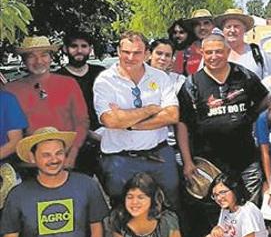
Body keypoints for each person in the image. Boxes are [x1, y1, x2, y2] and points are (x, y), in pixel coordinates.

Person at [176, 35, 269, 237]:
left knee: (251, 207)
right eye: (209, 52)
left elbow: (265, 100)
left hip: (245, 156)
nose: (214, 56)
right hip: (210, 162)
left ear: (227, 52)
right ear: (202, 53)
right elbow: (182, 124)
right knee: (216, 209)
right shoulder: (192, 84)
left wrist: (250, 117)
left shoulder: (244, 76)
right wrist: (187, 161)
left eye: (219, 51)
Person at [93, 31, 181, 209]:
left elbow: (172, 115)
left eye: (137, 53)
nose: (130, 57)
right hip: (121, 160)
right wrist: (150, 110)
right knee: (122, 210)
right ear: (118, 51)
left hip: (160, 156)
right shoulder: (105, 81)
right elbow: (110, 121)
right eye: (126, 52)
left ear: (147, 54)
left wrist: (128, 122)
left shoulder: (160, 77)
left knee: (169, 205)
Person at [5, 36, 89, 169]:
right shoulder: (10, 90)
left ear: (51, 58)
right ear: (24, 60)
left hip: (66, 160)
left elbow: (82, 121)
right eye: (32, 56)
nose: (39, 61)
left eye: (44, 55)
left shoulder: (69, 84)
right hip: (26, 165)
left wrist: (72, 154)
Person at [54, 31, 105, 174]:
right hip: (75, 143)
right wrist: (91, 135)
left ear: (90, 49)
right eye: (74, 46)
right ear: (65, 49)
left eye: (84, 46)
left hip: (106, 137)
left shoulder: (101, 73)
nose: (79, 50)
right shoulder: (57, 78)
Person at [215, 8, 271, 79]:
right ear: (223, 30)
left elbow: (270, 81)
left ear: (245, 29)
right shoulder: (213, 53)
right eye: (228, 26)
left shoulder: (258, 53)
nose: (232, 30)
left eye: (236, 26)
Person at [173, 9, 215, 77]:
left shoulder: (224, 50)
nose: (202, 27)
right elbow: (176, 79)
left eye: (206, 23)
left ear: (213, 26)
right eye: (197, 24)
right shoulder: (183, 53)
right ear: (192, 28)